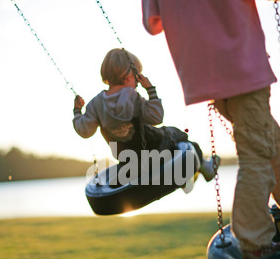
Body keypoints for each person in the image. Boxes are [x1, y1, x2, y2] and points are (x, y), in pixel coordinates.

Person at [142, 0, 280, 259]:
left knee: (271, 144)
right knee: (258, 155)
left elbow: (152, 22)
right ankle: (253, 241)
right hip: (246, 74)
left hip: (208, 82)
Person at [73, 48, 219, 184]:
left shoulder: (95, 104)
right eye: (137, 78)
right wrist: (150, 90)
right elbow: (156, 117)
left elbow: (85, 131)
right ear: (128, 76)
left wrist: (77, 111)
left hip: (127, 159)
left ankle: (180, 173)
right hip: (155, 148)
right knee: (177, 134)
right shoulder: (132, 96)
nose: (137, 83)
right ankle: (206, 168)